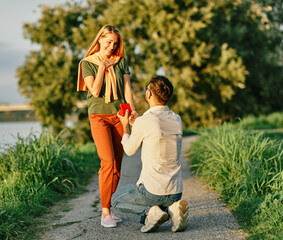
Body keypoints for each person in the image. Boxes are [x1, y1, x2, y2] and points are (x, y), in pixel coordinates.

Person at [77, 24, 138, 228]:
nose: (112, 46)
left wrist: (132, 110)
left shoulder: (121, 62)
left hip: (119, 114)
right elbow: (94, 91)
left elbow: (127, 88)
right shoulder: (88, 63)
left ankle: (108, 205)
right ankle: (105, 212)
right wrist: (103, 66)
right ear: (100, 39)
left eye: (115, 43)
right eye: (109, 41)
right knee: (108, 162)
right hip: (99, 116)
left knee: (118, 166)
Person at [112, 75, 189, 233]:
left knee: (115, 200)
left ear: (149, 94)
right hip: (176, 191)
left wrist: (125, 126)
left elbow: (129, 150)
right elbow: (157, 131)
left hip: (153, 191)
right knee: (144, 221)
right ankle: (173, 210)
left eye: (147, 89)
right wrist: (139, 122)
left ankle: (153, 211)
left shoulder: (146, 121)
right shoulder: (176, 119)